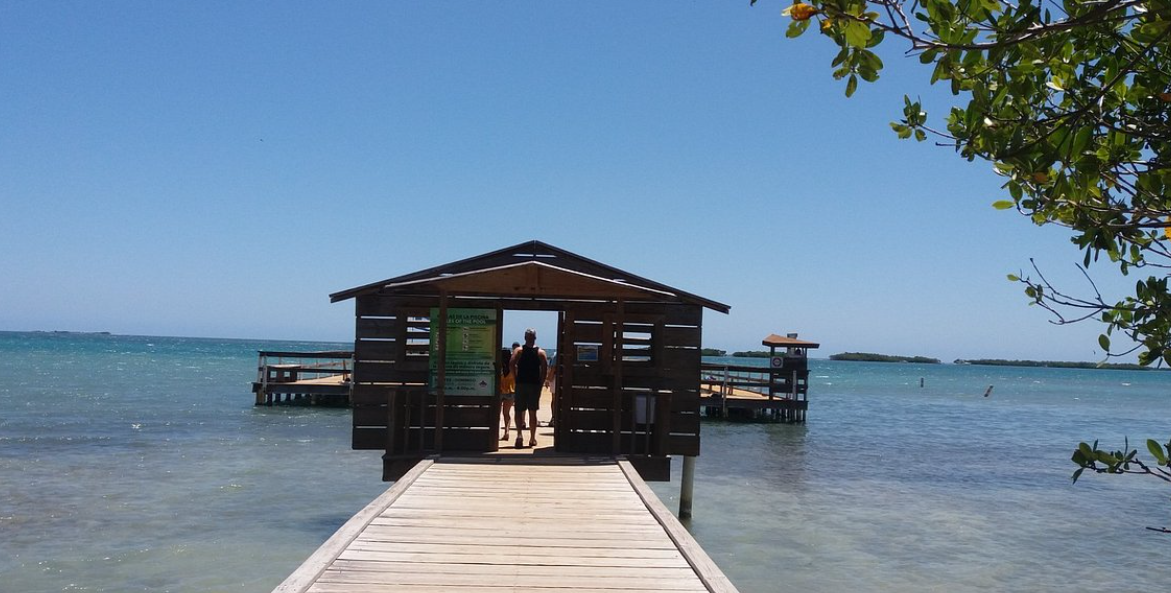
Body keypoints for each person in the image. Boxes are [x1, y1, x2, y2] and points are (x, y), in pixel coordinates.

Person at [509, 328, 548, 449]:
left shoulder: (519, 351)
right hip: (534, 385)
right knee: (532, 412)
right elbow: (544, 371)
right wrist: (540, 384)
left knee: (518, 411)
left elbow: (511, 363)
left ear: (525, 337)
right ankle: (532, 438)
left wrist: (515, 377)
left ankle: (519, 435)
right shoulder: (540, 352)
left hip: (521, 383)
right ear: (535, 338)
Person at [498, 345, 518, 441]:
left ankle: (496, 431)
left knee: (496, 414)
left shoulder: (499, 367)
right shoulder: (513, 367)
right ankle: (507, 431)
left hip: (499, 391)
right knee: (506, 413)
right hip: (511, 392)